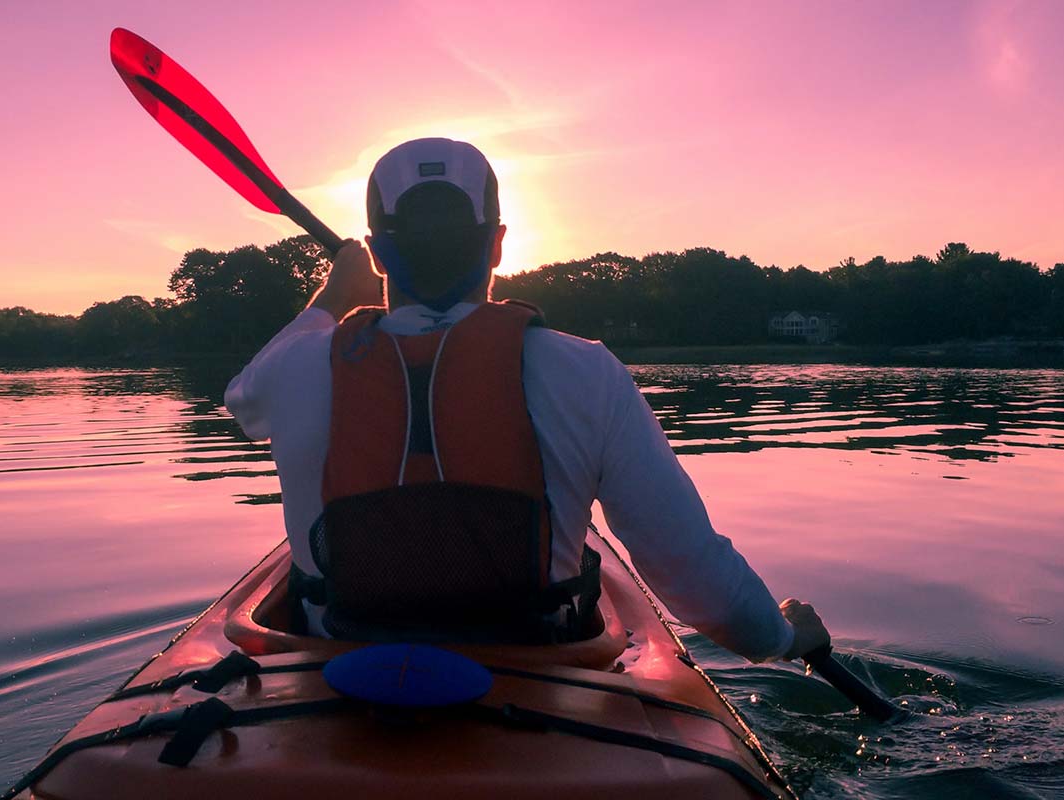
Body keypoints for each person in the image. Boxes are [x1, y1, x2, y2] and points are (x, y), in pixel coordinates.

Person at [225, 137, 829, 661]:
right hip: (535, 676)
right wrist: (782, 638)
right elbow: (699, 582)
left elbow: (241, 400)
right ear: (497, 244)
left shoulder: (297, 366)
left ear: (378, 252)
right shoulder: (587, 372)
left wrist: (332, 295)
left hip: (334, 674)